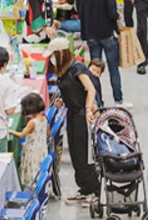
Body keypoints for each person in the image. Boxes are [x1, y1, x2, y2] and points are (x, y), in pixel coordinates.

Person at [49, 39, 100, 204]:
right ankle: (84, 188)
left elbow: (90, 88)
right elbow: (71, 90)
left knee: (84, 153)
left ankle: (93, 189)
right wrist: (63, 101)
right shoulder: (63, 71)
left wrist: (87, 108)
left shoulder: (77, 68)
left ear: (61, 53)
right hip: (71, 114)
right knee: (75, 154)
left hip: (81, 116)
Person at [76, 0, 125, 105]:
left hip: (91, 35)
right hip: (107, 34)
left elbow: (80, 13)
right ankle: (118, 99)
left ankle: (96, 101)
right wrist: (118, 16)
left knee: (93, 71)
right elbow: (111, 13)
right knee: (113, 68)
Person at [11, 93, 49, 188]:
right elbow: (48, 132)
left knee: (32, 171)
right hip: (41, 148)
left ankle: (32, 188)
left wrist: (10, 131)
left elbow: (21, 135)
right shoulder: (43, 118)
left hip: (32, 150)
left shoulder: (32, 122)